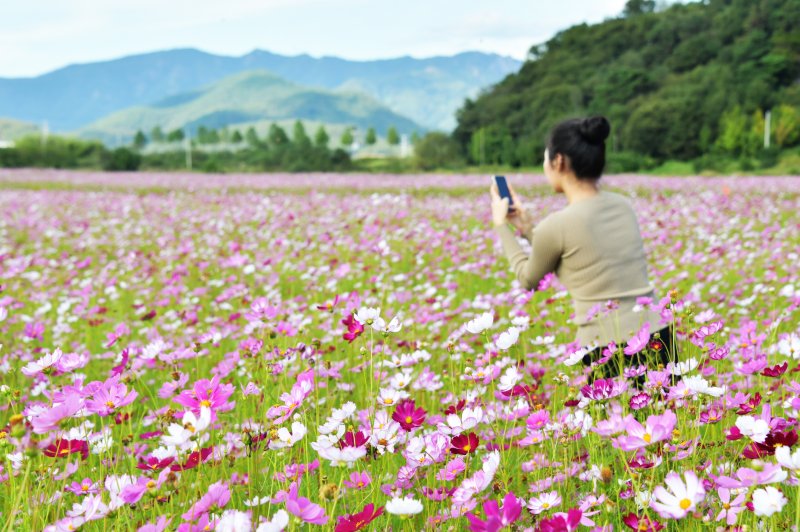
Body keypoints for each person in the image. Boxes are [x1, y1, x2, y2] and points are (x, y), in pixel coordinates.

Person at [489, 116, 676, 379]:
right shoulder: (623, 205)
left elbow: (528, 278)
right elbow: (578, 254)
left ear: (559, 161)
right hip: (660, 335)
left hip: (607, 348)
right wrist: (526, 227)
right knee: (662, 416)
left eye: (545, 159)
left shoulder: (556, 226)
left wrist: (501, 226)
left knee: (616, 419)